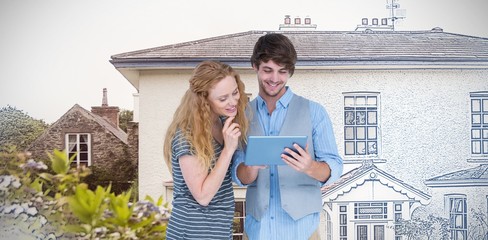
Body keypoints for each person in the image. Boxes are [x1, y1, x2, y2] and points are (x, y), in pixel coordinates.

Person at [232, 33, 343, 240]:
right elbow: (238, 175)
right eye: (267, 70)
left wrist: (310, 167)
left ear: (290, 72)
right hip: (257, 231)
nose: (274, 79)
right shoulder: (243, 116)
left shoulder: (315, 112)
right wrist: (251, 167)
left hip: (303, 232)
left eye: (282, 72)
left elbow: (334, 166)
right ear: (255, 66)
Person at [163, 60, 249, 240]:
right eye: (223, 98)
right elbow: (203, 196)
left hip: (218, 232)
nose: (233, 101)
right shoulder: (187, 136)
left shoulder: (223, 122)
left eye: (235, 92)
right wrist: (228, 151)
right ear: (204, 100)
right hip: (192, 233)